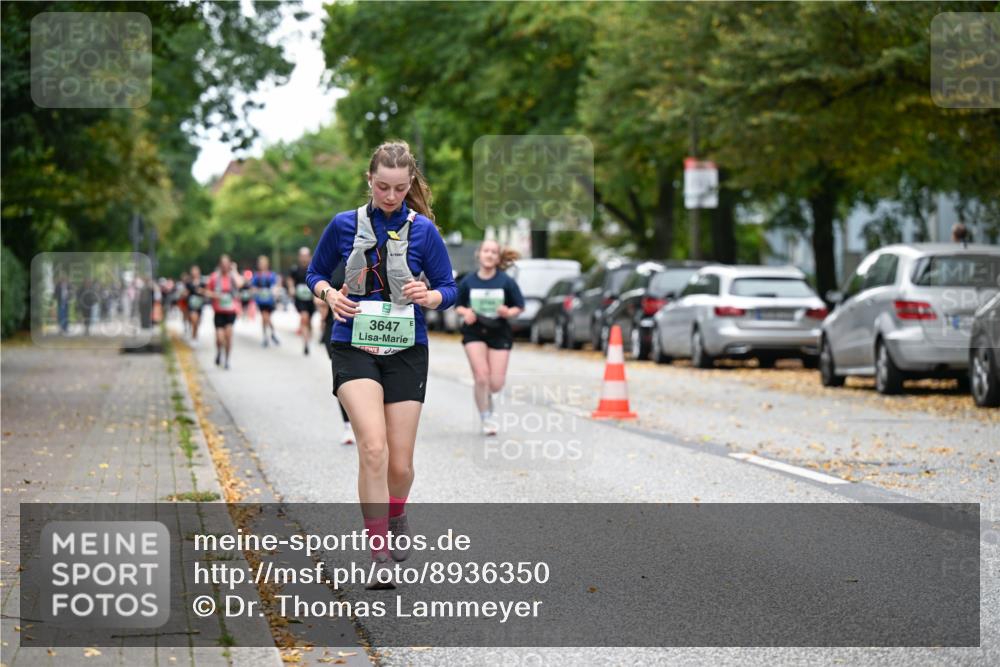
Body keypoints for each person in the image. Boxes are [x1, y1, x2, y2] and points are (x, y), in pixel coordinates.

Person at [306, 140, 456, 588]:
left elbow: (449, 288)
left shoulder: (424, 230)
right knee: (373, 447)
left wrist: (429, 296)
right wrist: (330, 295)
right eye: (383, 187)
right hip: (352, 342)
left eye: (399, 188)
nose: (390, 196)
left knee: (400, 464)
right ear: (369, 180)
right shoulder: (343, 225)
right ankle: (378, 554)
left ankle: (397, 513)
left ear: (410, 185)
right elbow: (314, 274)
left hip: (406, 348)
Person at [454, 240, 524, 435]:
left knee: (495, 384)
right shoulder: (468, 281)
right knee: (482, 376)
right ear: (479, 254)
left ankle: (488, 397)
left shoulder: (506, 282)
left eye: (494, 252)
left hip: (499, 331)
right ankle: (486, 417)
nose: (490, 254)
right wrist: (465, 312)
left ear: (498, 257)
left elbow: (519, 306)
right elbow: (458, 305)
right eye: (486, 251)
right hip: (474, 331)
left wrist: (508, 312)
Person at [321, 260, 354, 445]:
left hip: (369, 328)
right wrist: (326, 298)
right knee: (344, 378)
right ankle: (348, 426)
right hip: (336, 326)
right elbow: (317, 281)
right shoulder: (335, 258)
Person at [204, 255, 244, 369]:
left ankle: (227, 360)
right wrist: (215, 295)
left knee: (229, 336)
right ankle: (219, 352)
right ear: (220, 265)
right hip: (219, 311)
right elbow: (207, 291)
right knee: (220, 338)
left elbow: (240, 284)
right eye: (223, 264)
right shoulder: (214, 277)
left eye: (227, 264)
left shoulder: (232, 277)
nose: (225, 266)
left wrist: (235, 270)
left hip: (231, 311)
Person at [287, 247, 318, 356]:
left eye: (306, 256)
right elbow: (290, 279)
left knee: (309, 321)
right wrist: (291, 288)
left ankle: (308, 339)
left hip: (311, 300)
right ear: (299, 257)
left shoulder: (313, 268)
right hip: (300, 299)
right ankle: (305, 343)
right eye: (302, 256)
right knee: (304, 317)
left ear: (309, 257)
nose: (304, 258)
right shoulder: (295, 269)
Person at [251, 255, 281, 347]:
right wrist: (256, 291)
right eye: (260, 264)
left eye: (263, 263)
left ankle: (270, 334)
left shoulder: (271, 275)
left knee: (267, 318)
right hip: (261, 301)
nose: (262, 265)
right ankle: (268, 336)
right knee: (265, 318)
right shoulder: (257, 276)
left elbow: (276, 285)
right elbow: (253, 287)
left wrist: (275, 292)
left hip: (270, 300)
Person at [185, 266, 206, 346]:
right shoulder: (189, 283)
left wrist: (202, 291)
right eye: (193, 271)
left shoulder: (202, 282)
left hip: (200, 304)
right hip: (191, 304)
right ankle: (193, 337)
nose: (194, 272)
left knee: (197, 322)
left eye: (196, 271)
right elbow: (186, 292)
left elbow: (207, 291)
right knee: (194, 320)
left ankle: (196, 336)